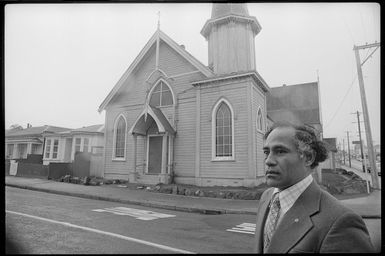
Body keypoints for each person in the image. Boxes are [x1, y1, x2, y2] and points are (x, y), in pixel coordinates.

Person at [254, 122, 375, 253]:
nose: (268, 161)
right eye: (266, 152)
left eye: (280, 151)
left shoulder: (340, 221)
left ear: (308, 158)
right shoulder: (267, 197)